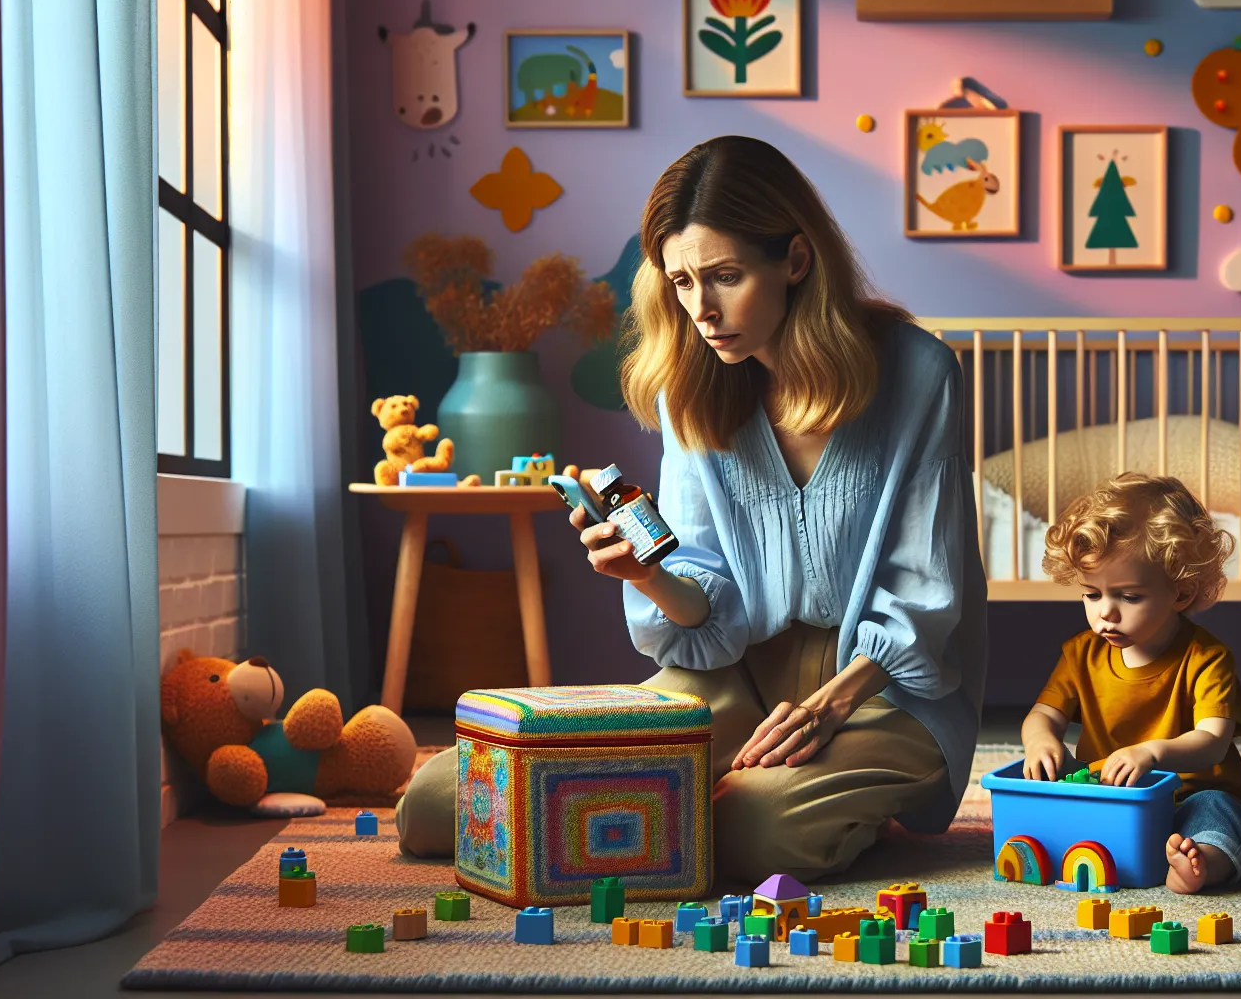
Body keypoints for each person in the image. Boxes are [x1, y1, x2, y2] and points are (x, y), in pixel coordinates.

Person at [396, 135, 987, 884]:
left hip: (881, 690)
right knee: (440, 803)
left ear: (796, 260)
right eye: (681, 281)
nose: (702, 310)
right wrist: (646, 575)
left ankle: (810, 805)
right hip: (735, 674)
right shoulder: (693, 388)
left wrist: (826, 708)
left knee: (751, 830)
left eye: (725, 277)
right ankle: (714, 798)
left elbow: (923, 596)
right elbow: (708, 607)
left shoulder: (918, 371)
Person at [1020, 472, 1241, 893]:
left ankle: (1203, 862)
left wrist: (1152, 753)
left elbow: (1213, 740)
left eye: (1129, 597)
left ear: (1181, 593)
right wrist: (1041, 742)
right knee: (1056, 787)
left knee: (1219, 813)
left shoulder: (1207, 658)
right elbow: (1043, 714)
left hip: (1188, 797)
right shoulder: (1081, 653)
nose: (1106, 613)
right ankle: (1101, 849)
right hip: (1109, 796)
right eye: (1092, 594)